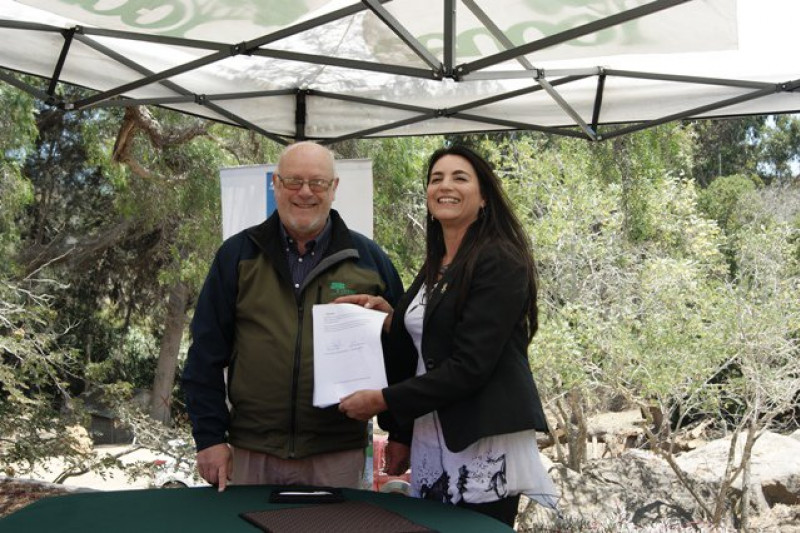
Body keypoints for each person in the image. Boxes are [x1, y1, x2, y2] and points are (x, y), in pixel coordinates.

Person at [336, 145, 559, 526]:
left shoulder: (500, 259)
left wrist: (383, 401)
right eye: (436, 178)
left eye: (460, 177)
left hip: (482, 444)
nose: (445, 186)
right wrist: (391, 318)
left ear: (484, 196)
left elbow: (470, 365)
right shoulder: (437, 262)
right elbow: (432, 337)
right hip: (433, 438)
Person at [182, 141, 403, 492]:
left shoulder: (369, 260)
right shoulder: (238, 255)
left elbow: (400, 353)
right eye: (293, 181)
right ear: (275, 184)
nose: (305, 192)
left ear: (334, 188)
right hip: (253, 452)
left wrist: (400, 432)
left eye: (317, 183)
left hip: (337, 455)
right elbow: (205, 354)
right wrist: (209, 438)